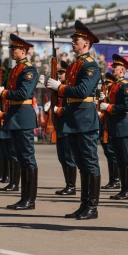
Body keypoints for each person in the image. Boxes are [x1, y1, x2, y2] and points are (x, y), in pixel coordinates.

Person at [46, 20, 101, 220]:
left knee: (90, 163)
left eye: (76, 40)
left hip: (84, 118)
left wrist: (59, 87)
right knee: (81, 164)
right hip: (73, 118)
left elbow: (82, 91)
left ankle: (92, 207)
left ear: (86, 43)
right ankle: (84, 205)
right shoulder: (75, 66)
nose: (73, 43)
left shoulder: (90, 66)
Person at [0, 34, 39, 210]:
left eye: (14, 49)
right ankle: (24, 198)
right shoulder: (15, 69)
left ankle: (30, 199)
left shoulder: (29, 70)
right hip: (14, 117)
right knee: (20, 158)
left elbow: (23, 94)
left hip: (23, 117)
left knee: (27, 158)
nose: (11, 51)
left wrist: (3, 92)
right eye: (11, 48)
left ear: (23, 51)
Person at [101, 54, 128, 200]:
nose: (113, 69)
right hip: (115, 125)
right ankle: (123, 189)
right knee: (120, 159)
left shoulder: (125, 86)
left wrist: (109, 106)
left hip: (123, 125)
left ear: (122, 70)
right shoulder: (115, 86)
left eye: (115, 67)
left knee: (127, 159)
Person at [45, 61, 77, 196]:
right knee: (62, 157)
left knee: (69, 157)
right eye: (58, 73)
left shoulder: (69, 88)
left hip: (68, 126)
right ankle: (68, 184)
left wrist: (60, 110)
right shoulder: (58, 89)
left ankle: (72, 186)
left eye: (61, 73)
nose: (59, 75)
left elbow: (72, 107)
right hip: (60, 126)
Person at [99, 73, 121, 191]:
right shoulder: (104, 94)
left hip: (111, 126)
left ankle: (116, 180)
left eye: (108, 83)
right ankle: (112, 179)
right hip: (104, 127)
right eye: (105, 83)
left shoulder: (114, 94)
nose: (106, 85)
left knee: (113, 154)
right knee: (108, 154)